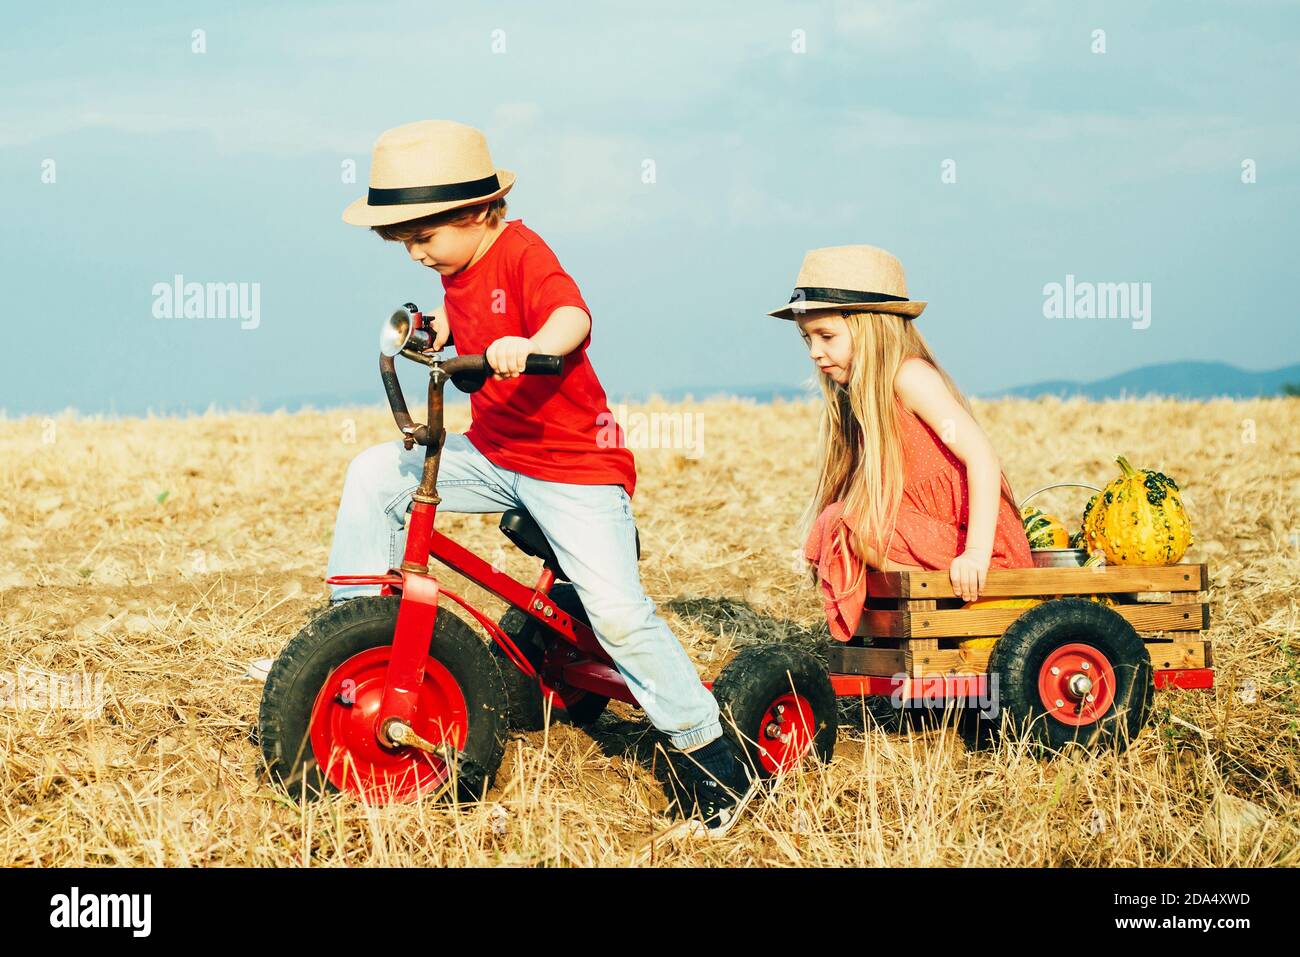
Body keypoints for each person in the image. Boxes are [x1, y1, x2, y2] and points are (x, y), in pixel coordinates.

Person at [329, 120, 755, 835]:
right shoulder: (456, 269)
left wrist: (531, 345)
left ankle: (714, 758)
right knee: (375, 473)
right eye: (403, 240)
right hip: (498, 456)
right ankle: (353, 639)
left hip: (575, 468)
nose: (416, 252)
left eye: (424, 236)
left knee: (619, 614)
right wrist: (441, 327)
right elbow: (471, 311)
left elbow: (570, 315)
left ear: (475, 212)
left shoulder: (523, 251)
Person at [767, 245, 1033, 643]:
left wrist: (976, 553)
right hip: (925, 534)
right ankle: (911, 616)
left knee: (849, 520)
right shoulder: (859, 396)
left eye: (826, 336)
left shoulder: (909, 378)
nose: (816, 352)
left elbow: (981, 455)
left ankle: (936, 607)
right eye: (808, 340)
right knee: (838, 520)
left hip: (968, 540)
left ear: (871, 328)